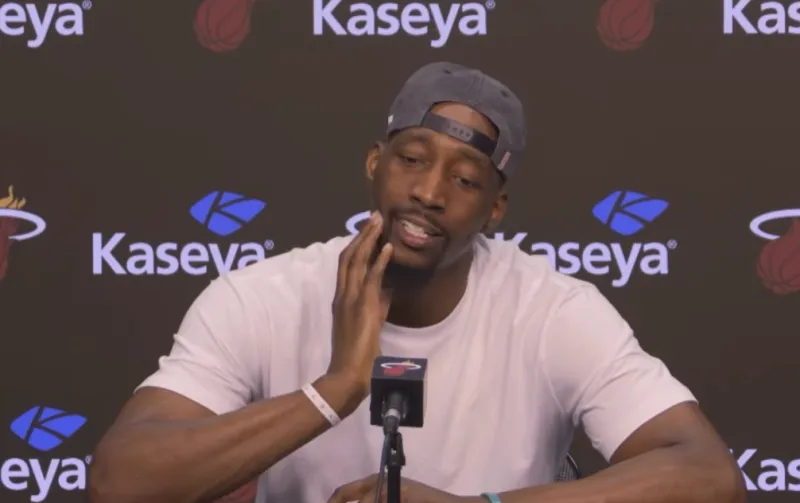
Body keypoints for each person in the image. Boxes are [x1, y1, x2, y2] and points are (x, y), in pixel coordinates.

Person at [88, 62, 745, 503]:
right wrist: (335, 389)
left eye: (465, 179)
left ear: (495, 208)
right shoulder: (262, 299)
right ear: (375, 164)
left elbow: (709, 476)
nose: (430, 192)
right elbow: (120, 482)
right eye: (411, 159)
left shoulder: (551, 310)